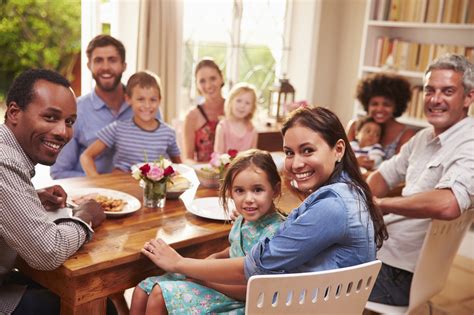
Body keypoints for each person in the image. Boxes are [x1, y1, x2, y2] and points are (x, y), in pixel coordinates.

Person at [137, 107, 388, 307]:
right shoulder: (351, 193)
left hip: (286, 307)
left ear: (338, 150)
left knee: (167, 292)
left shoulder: (333, 206)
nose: (296, 163)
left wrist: (179, 263)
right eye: (289, 153)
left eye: (308, 150)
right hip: (317, 305)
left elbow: (253, 269)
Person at [367, 54, 474, 306]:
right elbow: (383, 174)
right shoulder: (422, 138)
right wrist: (363, 198)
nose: (435, 100)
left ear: (469, 97)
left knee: (304, 268)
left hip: (400, 275)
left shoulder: (470, 144)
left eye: (447, 91)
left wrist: (383, 204)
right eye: (429, 91)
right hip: (382, 255)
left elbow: (448, 203)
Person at [0, 69, 109, 315]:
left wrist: (31, 197)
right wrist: (85, 215)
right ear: (15, 113)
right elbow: (47, 252)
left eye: (69, 122)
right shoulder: (4, 162)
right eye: (50, 117)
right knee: (95, 300)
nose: (63, 132)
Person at [130, 149, 283, 314]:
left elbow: (253, 291)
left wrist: (207, 281)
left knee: (160, 293)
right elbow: (236, 249)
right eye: (240, 191)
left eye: (258, 190)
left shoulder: (275, 234)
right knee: (142, 289)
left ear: (275, 190)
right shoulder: (243, 218)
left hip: (240, 300)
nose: (248, 199)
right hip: (221, 281)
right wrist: (217, 257)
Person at [50, 34, 161, 179]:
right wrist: (105, 183)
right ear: (89, 65)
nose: (106, 67)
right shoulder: (75, 111)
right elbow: (60, 172)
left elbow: (159, 160)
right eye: (98, 61)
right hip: (90, 194)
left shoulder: (147, 107)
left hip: (138, 193)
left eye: (112, 60)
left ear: (124, 66)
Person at [80, 71, 181, 176]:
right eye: (141, 99)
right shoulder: (117, 128)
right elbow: (86, 156)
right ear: (128, 99)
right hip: (121, 187)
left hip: (154, 190)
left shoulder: (168, 133)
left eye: (153, 100)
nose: (147, 105)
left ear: (159, 100)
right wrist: (98, 182)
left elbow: (180, 167)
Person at [347, 73, 417, 168]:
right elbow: (340, 159)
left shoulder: (406, 135)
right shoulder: (355, 126)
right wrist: (354, 162)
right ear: (367, 104)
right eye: (374, 104)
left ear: (396, 107)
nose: (380, 109)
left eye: (386, 104)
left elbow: (398, 170)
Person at [183, 58, 225, 162]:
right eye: (202, 81)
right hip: (204, 175)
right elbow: (188, 159)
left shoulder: (235, 109)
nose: (208, 85)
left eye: (213, 78)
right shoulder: (191, 117)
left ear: (221, 78)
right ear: (197, 85)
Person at [214, 82, 258, 154]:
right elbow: (218, 156)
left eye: (247, 103)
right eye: (239, 101)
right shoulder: (222, 127)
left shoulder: (252, 130)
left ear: (252, 108)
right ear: (231, 102)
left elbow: (253, 157)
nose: (242, 106)